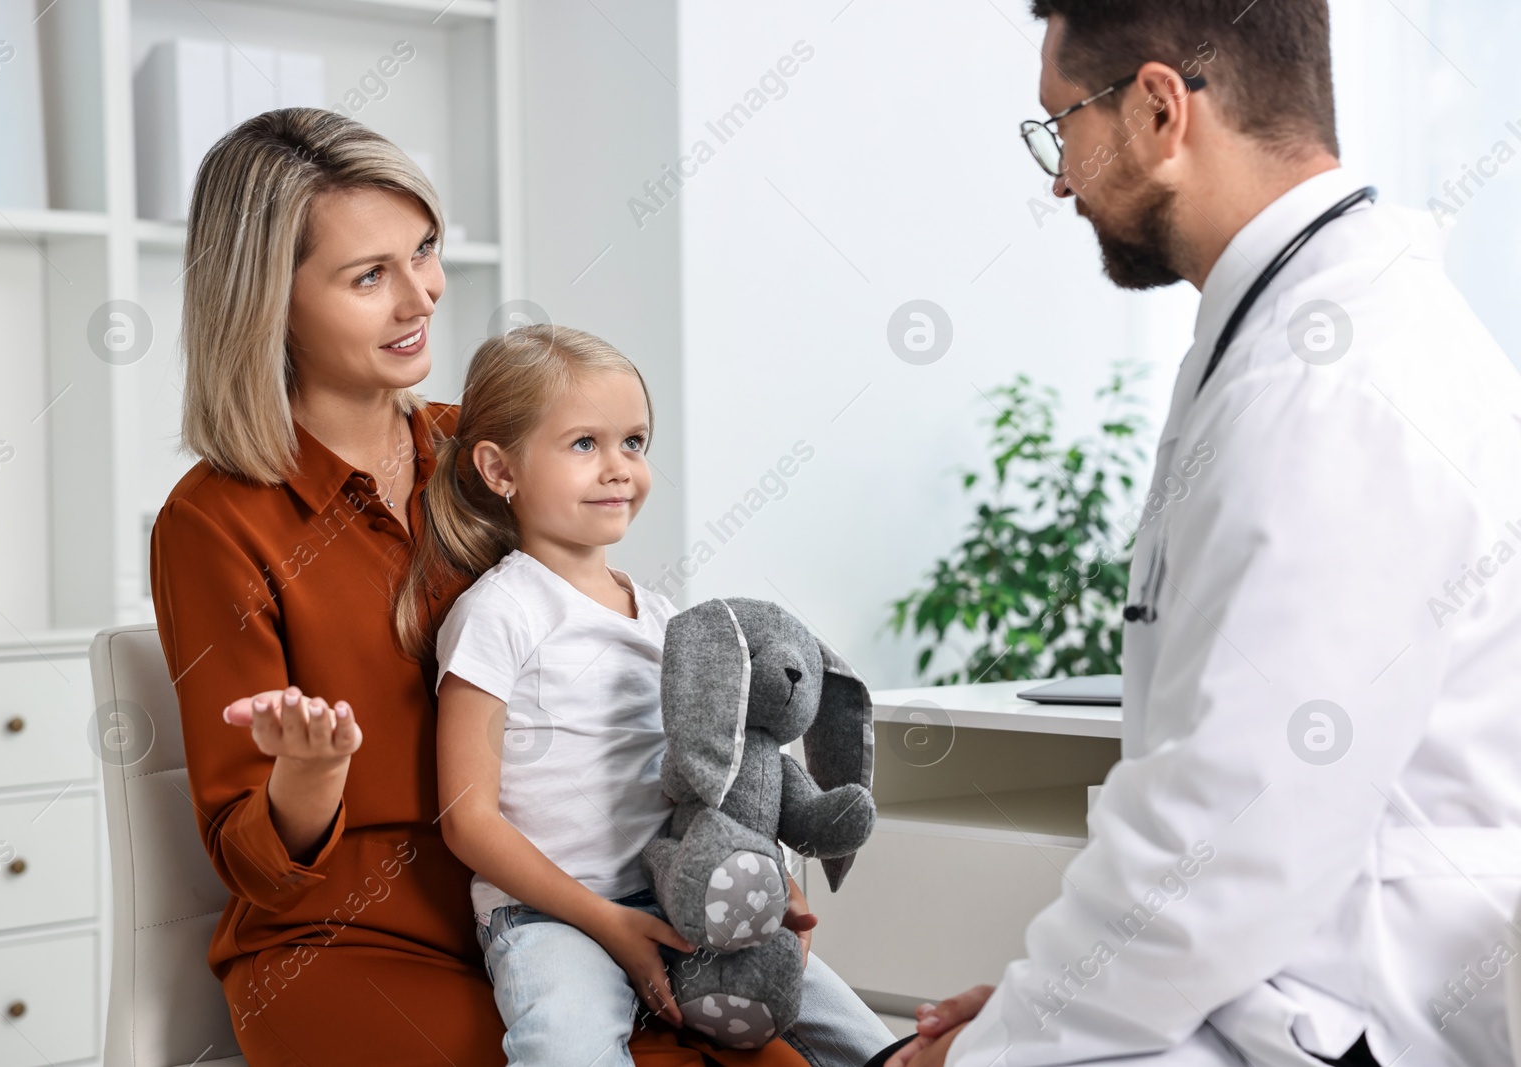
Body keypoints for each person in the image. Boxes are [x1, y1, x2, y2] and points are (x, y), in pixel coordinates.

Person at [884, 2, 1521, 1065]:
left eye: (1063, 125)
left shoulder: (1331, 384)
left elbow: (1230, 839)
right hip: (1279, 981)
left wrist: (1008, 1039)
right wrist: (1030, 1009)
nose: (1057, 177)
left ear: (1157, 109)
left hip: (1348, 1020)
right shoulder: (1303, 324)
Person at [152, 106, 819, 1067]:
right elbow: (252, 860)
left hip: (568, 898)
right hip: (352, 947)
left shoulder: (488, 449)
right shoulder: (213, 522)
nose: (420, 296)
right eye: (368, 276)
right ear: (269, 302)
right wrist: (311, 771)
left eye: (423, 250)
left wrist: (730, 852)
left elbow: (615, 682)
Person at [393, 323, 897, 1067]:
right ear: (501, 469)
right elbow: (468, 820)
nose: (618, 468)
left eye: (633, 442)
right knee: (563, 1045)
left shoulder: (668, 619)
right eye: (583, 445)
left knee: (861, 1037)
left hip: (680, 894)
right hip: (549, 918)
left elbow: (713, 780)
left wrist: (771, 877)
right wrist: (607, 922)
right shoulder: (500, 612)